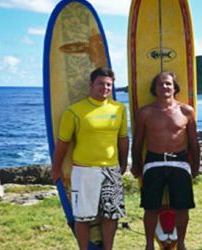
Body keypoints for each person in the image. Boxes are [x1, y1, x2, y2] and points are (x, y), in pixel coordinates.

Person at [51, 67, 129, 250]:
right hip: (84, 170)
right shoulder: (75, 111)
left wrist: (123, 164)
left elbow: (123, 139)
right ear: (91, 85)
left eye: (109, 84)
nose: (105, 88)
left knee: (111, 214)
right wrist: (56, 168)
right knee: (83, 217)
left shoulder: (119, 109)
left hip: (111, 169)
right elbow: (63, 143)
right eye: (100, 83)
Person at [131, 71, 200, 250]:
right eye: (160, 84)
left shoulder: (186, 110)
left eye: (168, 84)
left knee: (182, 206)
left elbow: (194, 141)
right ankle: (149, 245)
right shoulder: (145, 113)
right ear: (154, 89)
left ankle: (182, 243)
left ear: (175, 88)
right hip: (154, 161)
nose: (165, 87)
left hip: (179, 160)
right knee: (150, 207)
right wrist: (136, 164)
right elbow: (138, 141)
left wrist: (196, 166)